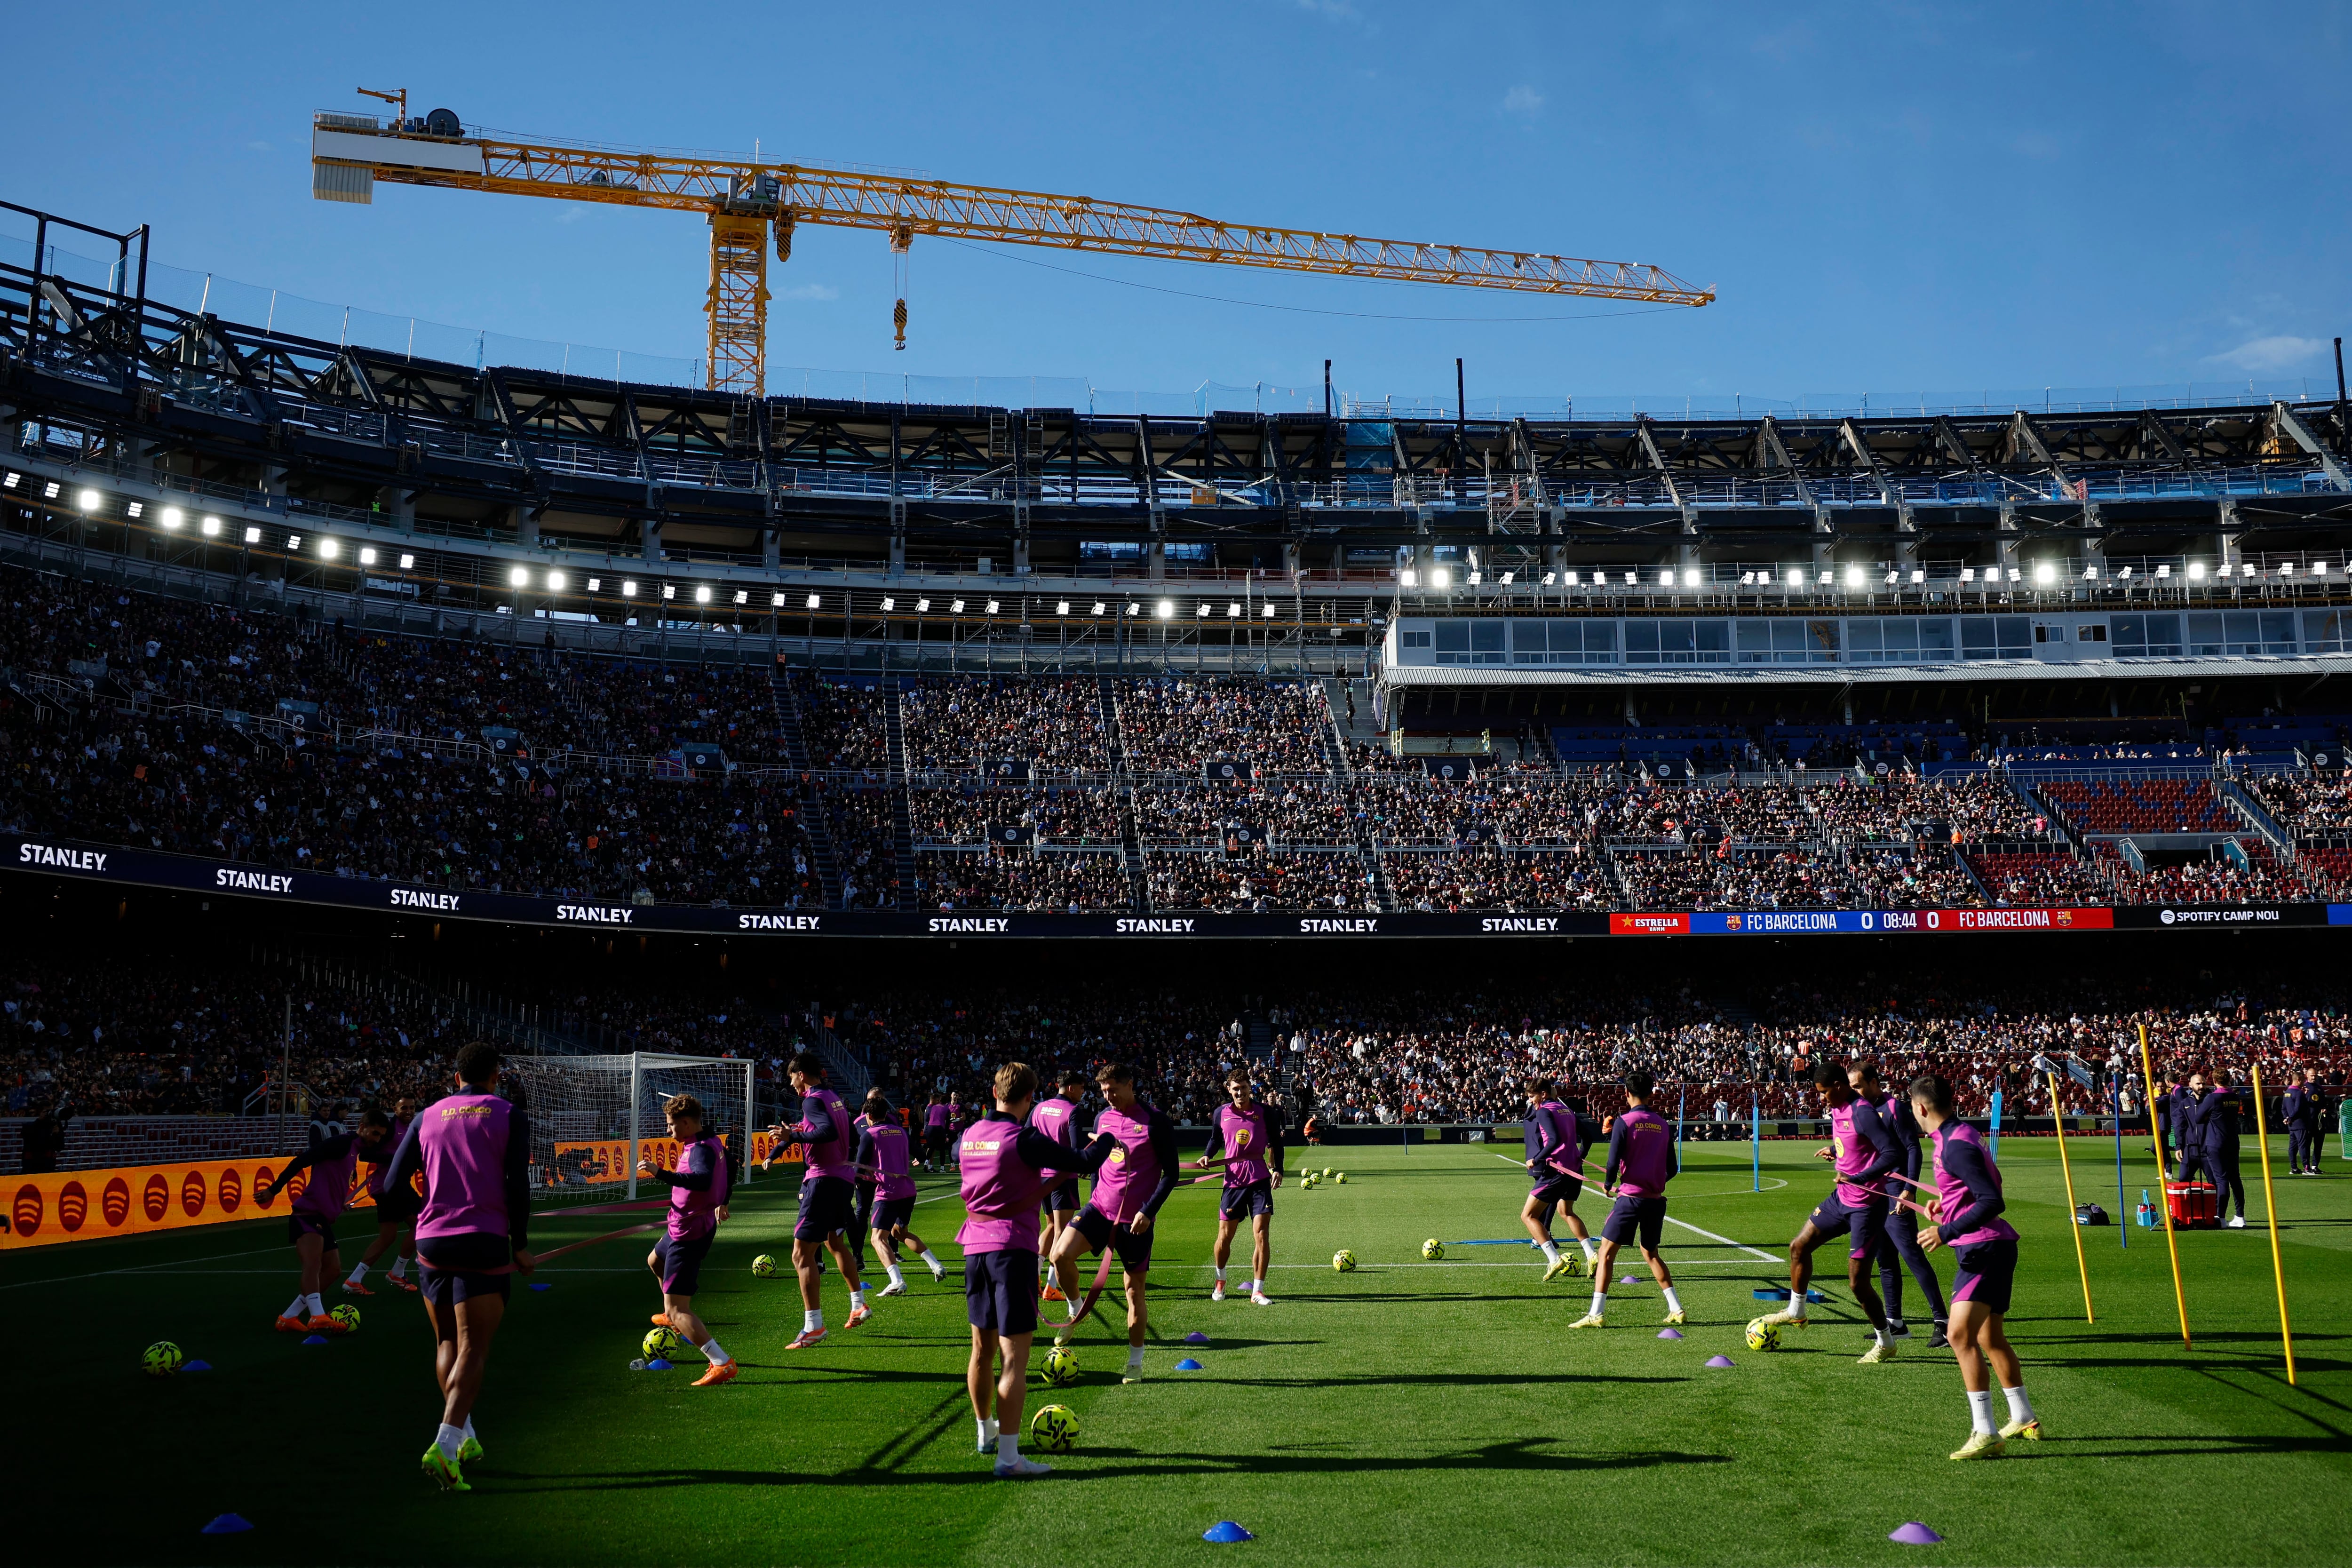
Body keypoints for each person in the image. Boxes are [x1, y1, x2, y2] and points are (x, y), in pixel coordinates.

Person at [377, 1040, 536, 1492]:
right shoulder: (507, 1113)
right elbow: (517, 1184)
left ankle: (463, 1435)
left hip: (431, 1240)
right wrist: (520, 1244)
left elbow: (390, 1186)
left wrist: (429, 1208)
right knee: (474, 1347)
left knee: (447, 1340)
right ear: (497, 1075)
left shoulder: (427, 1115)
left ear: (455, 1078)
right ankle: (446, 1446)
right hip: (482, 1239)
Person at [957, 1061, 1112, 1479]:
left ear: (995, 1092)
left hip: (974, 1247)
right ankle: (1008, 1458)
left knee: (981, 1351)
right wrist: (1109, 1139)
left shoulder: (969, 1136)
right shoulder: (1023, 1138)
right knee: (1014, 1360)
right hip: (1011, 1250)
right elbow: (1085, 1159)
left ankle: (984, 1431)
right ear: (1029, 1098)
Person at [1910, 1071, 2039, 1461]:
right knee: (1989, 1338)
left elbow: (1992, 1199)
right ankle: (2023, 1416)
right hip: (1991, 1246)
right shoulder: (1959, 1134)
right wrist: (1945, 1204)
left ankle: (1985, 1431)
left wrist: (1944, 1230)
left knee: (1959, 1336)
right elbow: (1973, 1188)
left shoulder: (1954, 1144)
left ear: (1921, 1108)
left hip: (1985, 1249)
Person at [1756, 1059, 1903, 1362]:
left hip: (1867, 1206)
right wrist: (1836, 1151)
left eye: (1824, 1092)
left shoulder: (1863, 1112)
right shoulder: (1837, 1108)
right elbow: (1856, 1146)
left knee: (1857, 1284)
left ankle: (1886, 1341)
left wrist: (1859, 1177)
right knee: (1799, 1247)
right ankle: (1796, 1311)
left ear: (1839, 1086)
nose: (1820, 1097)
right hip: (1841, 1198)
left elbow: (1892, 1152)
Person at [1046, 1062, 1178, 1384]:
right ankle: (1076, 1310)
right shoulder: (1102, 1118)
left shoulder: (1155, 1121)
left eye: (1114, 1090)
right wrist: (1093, 1200)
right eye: (1104, 1091)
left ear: (1130, 1084)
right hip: (1099, 1210)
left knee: (1134, 1292)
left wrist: (1148, 1211)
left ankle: (1135, 1364)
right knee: (1059, 1256)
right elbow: (1098, 1166)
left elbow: (1171, 1173)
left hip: (1136, 1221)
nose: (1109, 1097)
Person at [768, 1052, 871, 1349]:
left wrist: (796, 1137)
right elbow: (846, 1132)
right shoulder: (833, 1097)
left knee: (801, 1256)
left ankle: (814, 1326)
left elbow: (825, 1132)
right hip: (840, 1180)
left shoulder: (811, 1099)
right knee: (834, 1243)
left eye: (791, 1077)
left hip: (823, 1181)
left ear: (801, 1074)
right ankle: (858, 1304)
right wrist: (797, 1132)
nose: (792, 1084)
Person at [1569, 1071, 1685, 1329]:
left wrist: (1609, 1184)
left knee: (1606, 1254)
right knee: (1651, 1253)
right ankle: (1676, 1308)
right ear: (1651, 1093)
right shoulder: (1663, 1124)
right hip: (1655, 1200)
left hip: (1630, 1199)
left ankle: (1596, 1314)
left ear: (1627, 1094)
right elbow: (1673, 1168)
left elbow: (1613, 1160)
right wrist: (1655, 1182)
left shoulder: (1624, 1122)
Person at [638, 1093, 737, 1387]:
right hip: (681, 1225)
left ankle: (721, 1362)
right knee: (655, 1260)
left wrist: (661, 1173)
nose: (669, 1131)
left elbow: (704, 1179)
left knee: (679, 1309)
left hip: (689, 1232)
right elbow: (730, 1164)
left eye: (671, 1125)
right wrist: (724, 1200)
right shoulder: (710, 1141)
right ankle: (672, 1317)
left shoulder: (701, 1149)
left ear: (685, 1123)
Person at [1855, 1062, 1948, 1348]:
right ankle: (1895, 1322)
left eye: (1859, 1085)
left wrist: (1909, 1190)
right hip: (1875, 1194)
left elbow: (1912, 1148)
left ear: (1873, 1082)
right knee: (1885, 1260)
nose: (1856, 1091)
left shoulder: (1894, 1108)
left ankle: (1942, 1323)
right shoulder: (1865, 1111)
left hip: (1896, 1191)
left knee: (1912, 1256)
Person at [259, 1103, 371, 1335]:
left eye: (381, 1135)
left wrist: (338, 1203)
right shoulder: (342, 1143)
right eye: (375, 1133)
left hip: (322, 1217)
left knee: (333, 1270)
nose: (377, 1139)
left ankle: (289, 1317)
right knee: (314, 1264)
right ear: (362, 1128)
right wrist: (275, 1189)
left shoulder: (353, 1151)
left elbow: (333, 1180)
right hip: (307, 1214)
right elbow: (303, 1160)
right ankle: (317, 1315)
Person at [1198, 1069, 1283, 1306]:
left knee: (1262, 1234)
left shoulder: (1265, 1112)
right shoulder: (1220, 1113)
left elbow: (1276, 1141)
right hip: (1233, 1182)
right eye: (1236, 1088)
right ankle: (1220, 1281)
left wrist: (1279, 1169)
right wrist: (1207, 1156)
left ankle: (1257, 1291)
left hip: (1259, 1180)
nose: (1240, 1092)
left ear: (1250, 1088)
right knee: (1224, 1238)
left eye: (1244, 1087)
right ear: (1229, 1090)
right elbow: (1216, 1139)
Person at [858, 1091, 946, 1296]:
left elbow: (859, 1170)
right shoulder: (900, 1132)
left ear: (868, 1117)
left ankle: (897, 1280)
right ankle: (936, 1266)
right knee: (899, 1233)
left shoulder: (869, 1135)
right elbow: (919, 1153)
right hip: (908, 1190)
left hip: (888, 1193)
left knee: (877, 1238)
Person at [1521, 1078, 1597, 1282]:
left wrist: (1536, 1160)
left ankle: (1553, 1258)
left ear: (1543, 1095)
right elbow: (1588, 1137)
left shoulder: (1544, 1111)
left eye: (1532, 1097)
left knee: (1528, 1216)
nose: (1531, 1102)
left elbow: (1553, 1141)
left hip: (1557, 1172)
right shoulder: (1566, 1110)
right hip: (1574, 1170)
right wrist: (1580, 1155)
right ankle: (1592, 1254)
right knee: (1567, 1212)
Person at [346, 1100, 421, 1296]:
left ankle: (354, 1279)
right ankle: (398, 1272)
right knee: (423, 1224)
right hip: (392, 1187)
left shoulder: (411, 1127)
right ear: (395, 1109)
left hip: (393, 1187)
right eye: (404, 1107)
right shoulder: (389, 1129)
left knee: (388, 1237)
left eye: (412, 1108)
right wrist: (398, 1159)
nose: (409, 1111)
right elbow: (367, 1155)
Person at [1028, 1069, 1091, 1301]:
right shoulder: (1073, 1111)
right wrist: (1086, 1164)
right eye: (1082, 1088)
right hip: (1062, 1177)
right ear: (1072, 1088)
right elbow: (1076, 1146)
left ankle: (1033, 1277)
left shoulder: (1039, 1108)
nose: (1083, 1093)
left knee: (1052, 1226)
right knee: (1062, 1232)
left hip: (1040, 1176)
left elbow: (1026, 1136)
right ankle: (1051, 1287)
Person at [2197, 1074, 2249, 1227]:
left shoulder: (2212, 1098)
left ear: (2214, 1081)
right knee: (2235, 1179)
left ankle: (2221, 1217)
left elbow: (2198, 1118)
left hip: (2216, 1142)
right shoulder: (2234, 1097)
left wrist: (2210, 1117)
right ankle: (2240, 1216)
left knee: (2221, 1180)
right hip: (2232, 1141)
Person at [2283, 1073, 2320, 1176]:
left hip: (2292, 1125)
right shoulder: (2298, 1093)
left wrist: (2287, 1118)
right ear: (2299, 1080)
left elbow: (2284, 1108)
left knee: (2293, 1146)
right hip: (2301, 1124)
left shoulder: (2287, 1092)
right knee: (2303, 1146)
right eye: (2303, 1080)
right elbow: (2298, 1108)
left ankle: (2294, 1168)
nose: (2304, 1082)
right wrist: (2291, 1118)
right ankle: (2307, 1168)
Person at [923, 1095, 951, 1171]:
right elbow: (948, 1122)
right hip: (940, 1127)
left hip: (930, 1128)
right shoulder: (946, 1109)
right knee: (942, 1149)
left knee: (931, 1147)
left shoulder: (933, 1107)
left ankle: (926, 1163)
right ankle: (942, 1168)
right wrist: (946, 1133)